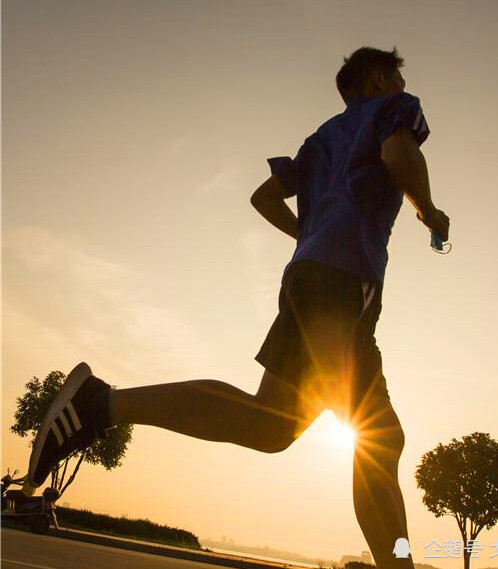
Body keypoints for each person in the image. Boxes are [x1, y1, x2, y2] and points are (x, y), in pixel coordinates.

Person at [25, 46, 449, 569]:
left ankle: (102, 406)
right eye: (398, 79)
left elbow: (264, 198)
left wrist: (309, 236)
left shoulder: (320, 140)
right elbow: (398, 156)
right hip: (344, 283)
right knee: (381, 440)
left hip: (307, 278)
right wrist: (429, 213)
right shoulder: (395, 109)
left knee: (270, 427)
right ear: (381, 76)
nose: (403, 88)